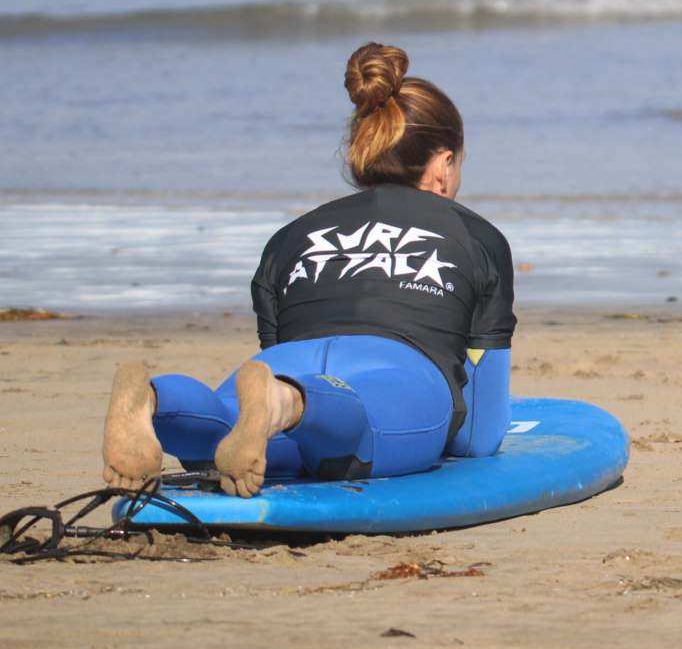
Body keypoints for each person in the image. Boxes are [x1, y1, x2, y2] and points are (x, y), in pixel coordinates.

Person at [101, 43, 516, 498]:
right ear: (443, 164)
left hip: (280, 364)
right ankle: (287, 403)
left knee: (222, 428)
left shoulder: (290, 237)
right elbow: (477, 436)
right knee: (353, 428)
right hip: (393, 370)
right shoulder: (477, 237)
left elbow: (270, 356)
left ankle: (156, 401)